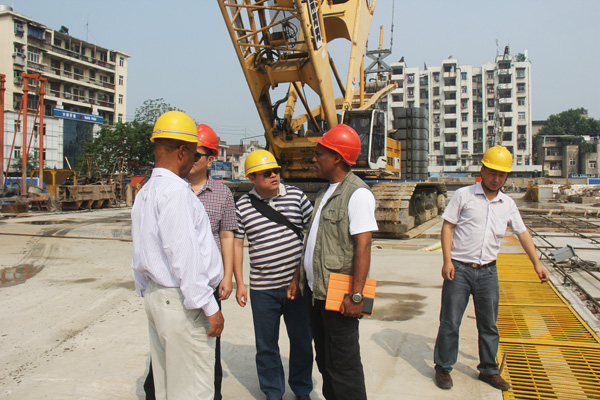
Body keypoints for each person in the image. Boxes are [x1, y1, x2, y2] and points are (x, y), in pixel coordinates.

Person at [433, 145, 549, 391]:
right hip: (459, 270)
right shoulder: (463, 195)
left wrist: (537, 263)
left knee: (489, 324)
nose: (496, 179)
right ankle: (443, 367)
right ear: (483, 170)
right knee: (450, 322)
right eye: (493, 173)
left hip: (488, 272)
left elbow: (522, 233)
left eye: (502, 175)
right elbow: (448, 227)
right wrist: (447, 260)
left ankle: (488, 370)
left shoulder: (507, 204)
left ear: (506, 176)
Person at [131, 111, 224, 400]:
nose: (194, 161)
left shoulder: (146, 192)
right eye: (194, 154)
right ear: (182, 151)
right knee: (192, 391)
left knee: (167, 388)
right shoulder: (176, 193)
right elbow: (184, 256)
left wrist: (148, 291)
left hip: (158, 297)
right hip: (183, 302)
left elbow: (139, 253)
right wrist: (209, 306)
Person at [288, 124, 378, 400]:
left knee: (344, 366)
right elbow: (312, 243)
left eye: (319, 153)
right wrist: (297, 279)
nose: (314, 158)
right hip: (317, 295)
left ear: (337, 157)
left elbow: (363, 246)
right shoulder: (324, 193)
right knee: (326, 362)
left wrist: (357, 295)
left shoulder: (358, 194)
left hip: (340, 298)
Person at [233, 149, 314, 400]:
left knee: (302, 341)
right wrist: (240, 282)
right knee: (266, 345)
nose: (273, 176)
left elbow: (312, 235)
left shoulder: (297, 197)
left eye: (276, 171)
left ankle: (302, 388)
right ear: (252, 178)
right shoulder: (243, 206)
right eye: (266, 173)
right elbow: (236, 243)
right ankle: (273, 391)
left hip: (296, 287)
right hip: (262, 288)